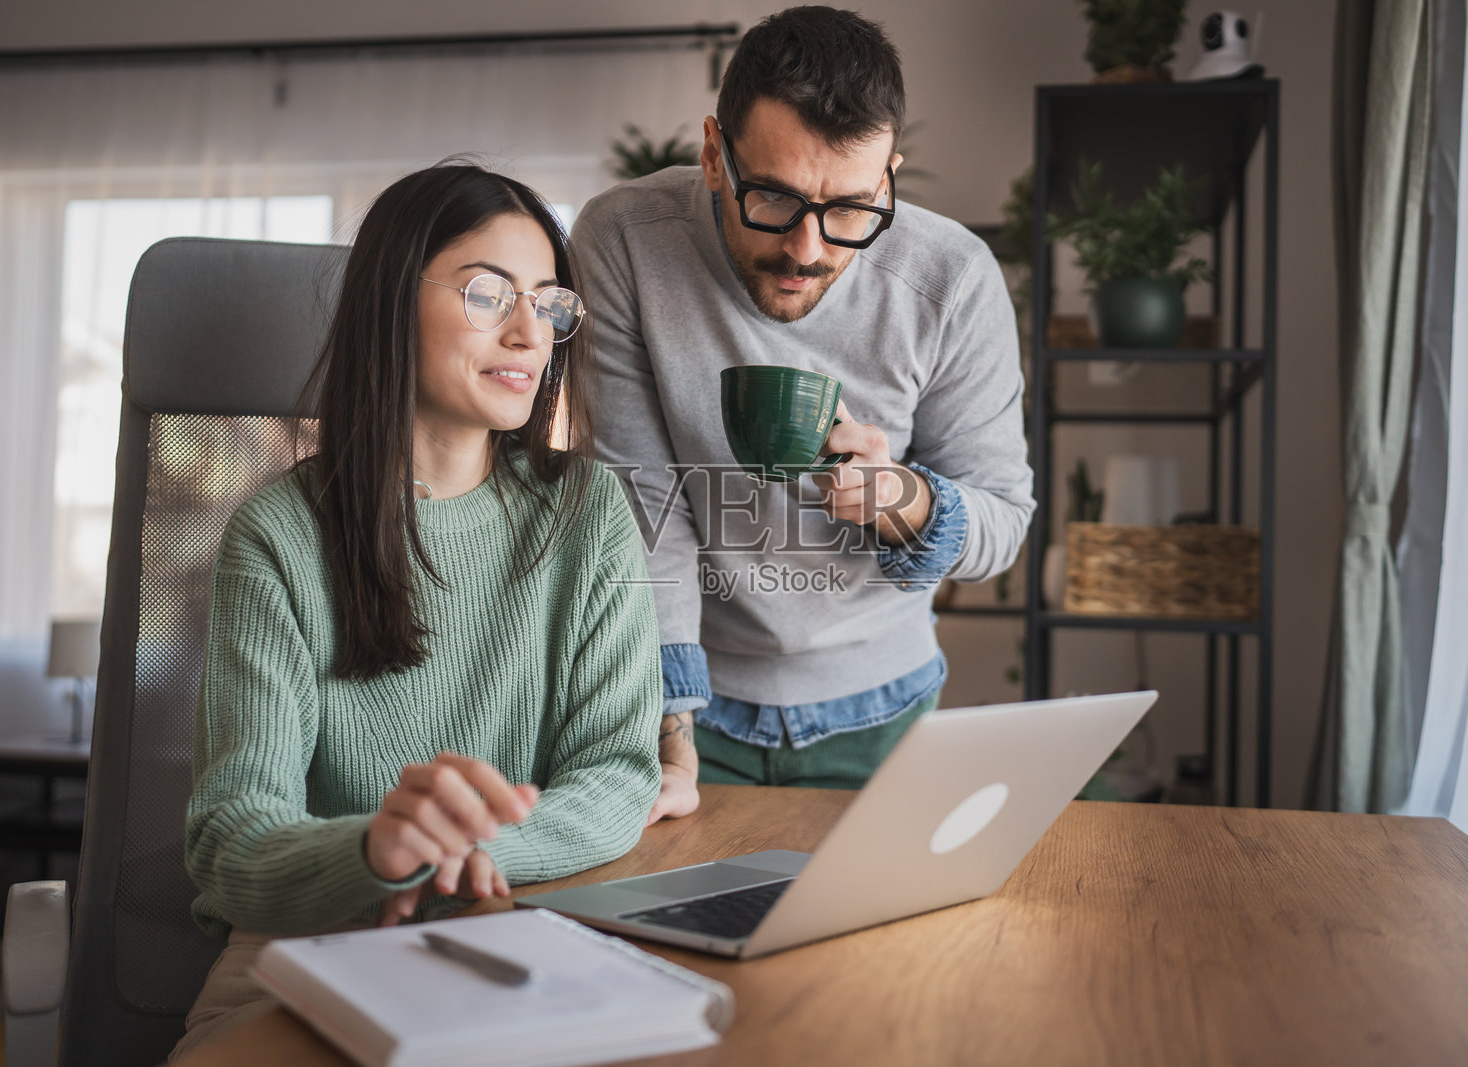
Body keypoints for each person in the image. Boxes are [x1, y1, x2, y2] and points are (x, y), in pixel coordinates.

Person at [172, 162, 662, 1058]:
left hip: (514, 933)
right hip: (304, 954)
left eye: (550, 305)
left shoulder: (587, 513)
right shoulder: (279, 536)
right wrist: (374, 850)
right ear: (393, 300)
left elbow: (618, 776)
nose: (528, 332)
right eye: (488, 293)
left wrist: (450, 860)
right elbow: (232, 841)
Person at [571, 5, 1033, 815]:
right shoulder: (626, 241)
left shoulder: (952, 277)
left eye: (852, 208)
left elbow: (1003, 519)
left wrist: (903, 500)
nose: (808, 250)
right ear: (715, 156)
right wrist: (670, 734)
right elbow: (642, 508)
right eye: (776, 200)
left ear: (889, 174)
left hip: (885, 715)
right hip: (688, 706)